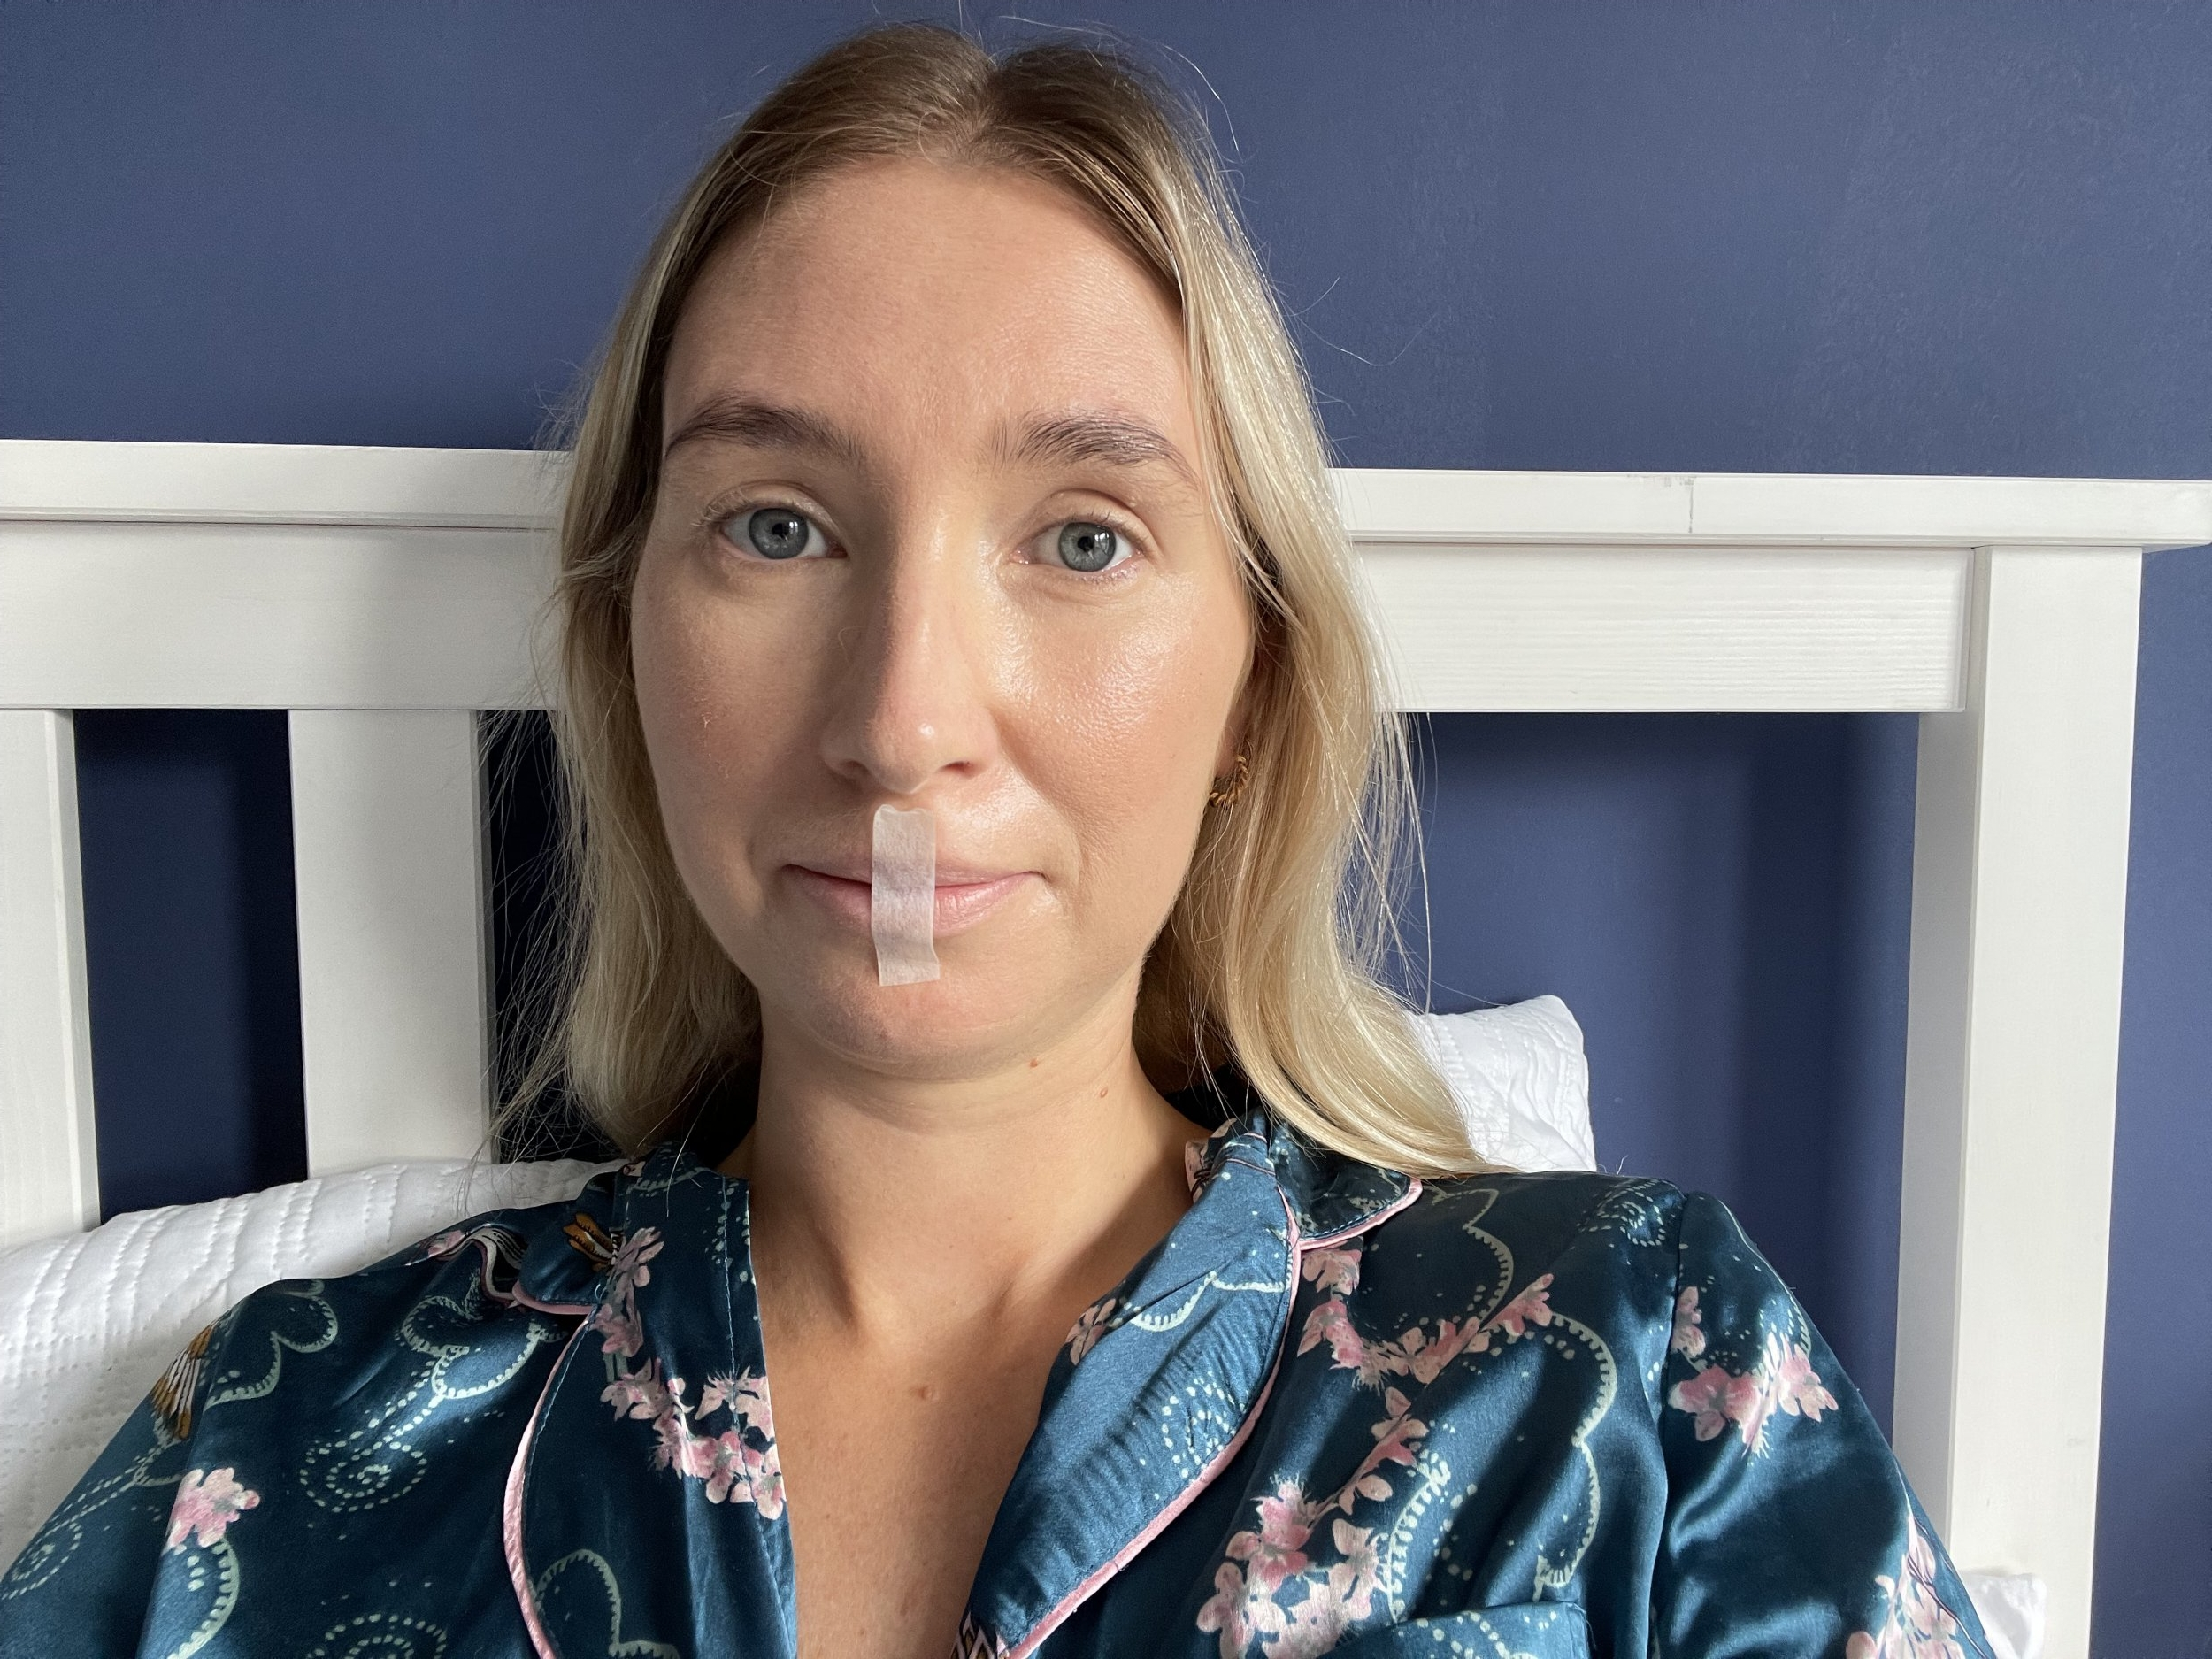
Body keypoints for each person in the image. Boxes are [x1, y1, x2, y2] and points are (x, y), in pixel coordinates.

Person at [0, 24, 1993, 1659]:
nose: (901, 721)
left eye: (1082, 539)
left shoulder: (1630, 1370)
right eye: (776, 526)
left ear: (1252, 690)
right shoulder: (291, 1432)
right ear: (627, 655)